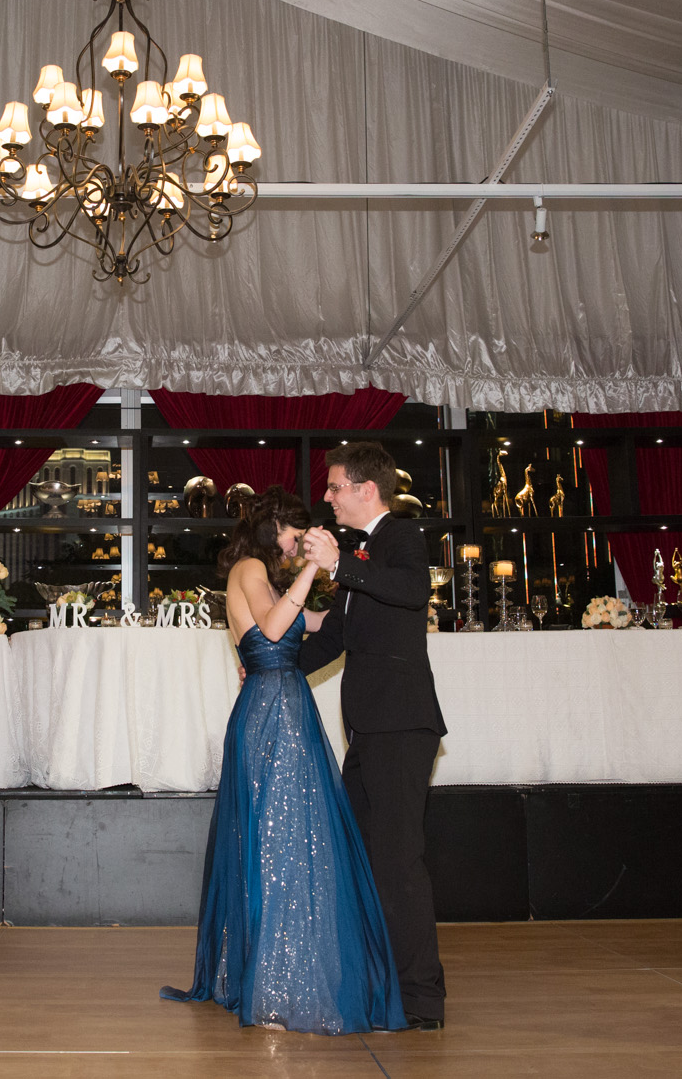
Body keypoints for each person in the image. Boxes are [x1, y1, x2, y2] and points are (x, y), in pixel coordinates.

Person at [161, 488, 406, 1034]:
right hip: (270, 712)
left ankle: (291, 972)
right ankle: (271, 983)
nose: (299, 545)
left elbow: (315, 623)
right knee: (274, 841)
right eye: (297, 534)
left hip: (290, 708)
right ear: (274, 528)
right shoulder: (249, 568)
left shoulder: (271, 580)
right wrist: (312, 570)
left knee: (295, 839)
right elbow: (273, 629)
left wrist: (355, 586)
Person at [298, 441, 448, 1029]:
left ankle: (420, 1000)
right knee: (362, 857)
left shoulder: (402, 536)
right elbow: (337, 636)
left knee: (397, 862)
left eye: (335, 486)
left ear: (366, 489)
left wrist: (340, 565)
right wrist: (274, 668)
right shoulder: (362, 553)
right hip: (369, 729)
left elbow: (411, 591)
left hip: (401, 724)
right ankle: (379, 984)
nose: (328, 496)